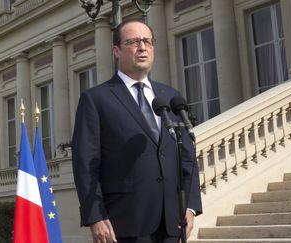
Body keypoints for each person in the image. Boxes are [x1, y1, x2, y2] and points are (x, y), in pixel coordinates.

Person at [72, 18, 202, 243]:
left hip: (172, 223)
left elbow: (188, 159)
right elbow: (86, 163)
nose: (142, 47)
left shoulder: (170, 97)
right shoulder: (96, 99)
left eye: (148, 42)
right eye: (133, 41)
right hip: (123, 223)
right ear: (116, 50)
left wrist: (190, 207)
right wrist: (95, 216)